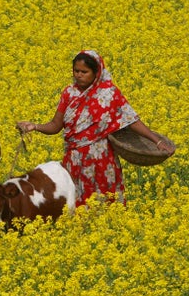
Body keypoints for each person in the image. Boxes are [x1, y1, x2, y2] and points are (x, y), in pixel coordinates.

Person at [16, 50, 174, 206]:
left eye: (84, 72)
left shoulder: (109, 94)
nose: (79, 75)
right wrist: (34, 126)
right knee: (74, 204)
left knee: (105, 204)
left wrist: (157, 142)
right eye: (76, 71)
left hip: (102, 160)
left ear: (96, 72)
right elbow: (55, 125)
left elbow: (132, 121)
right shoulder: (69, 93)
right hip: (74, 159)